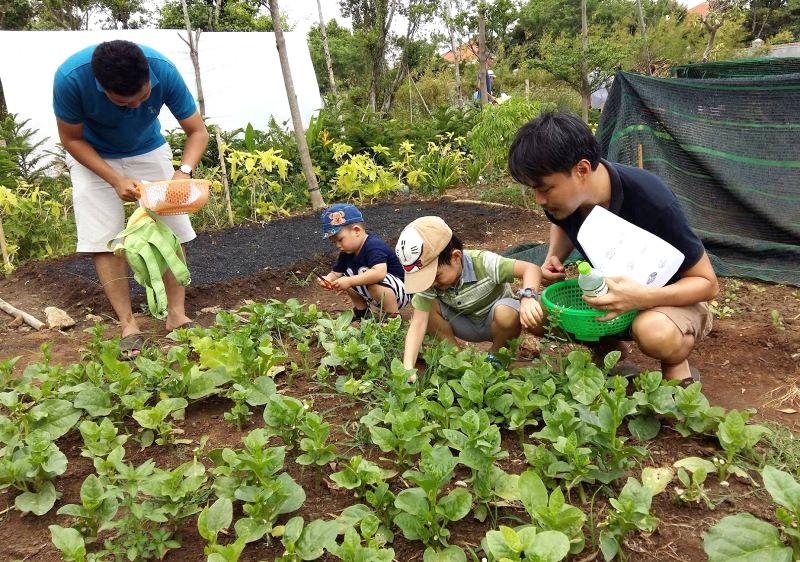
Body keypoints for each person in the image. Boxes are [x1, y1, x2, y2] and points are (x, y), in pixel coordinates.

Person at [507, 112, 719, 385]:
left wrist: (642, 297)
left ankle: (677, 371)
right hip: (615, 295)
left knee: (654, 331)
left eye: (544, 189)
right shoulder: (566, 201)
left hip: (672, 297)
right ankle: (608, 350)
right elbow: (562, 223)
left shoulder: (651, 199)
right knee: (538, 316)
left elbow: (707, 284)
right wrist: (554, 256)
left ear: (582, 170)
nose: (539, 200)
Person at [53, 40, 210, 359]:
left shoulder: (162, 69)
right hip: (93, 156)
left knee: (174, 228)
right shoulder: (70, 79)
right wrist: (114, 179)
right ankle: (129, 326)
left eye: (144, 98)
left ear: (148, 78)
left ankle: (177, 315)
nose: (137, 107)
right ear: (102, 88)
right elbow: (71, 139)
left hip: (148, 150)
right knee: (105, 238)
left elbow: (198, 132)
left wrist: (183, 172)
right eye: (125, 103)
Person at [395, 216, 544, 380]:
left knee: (507, 312)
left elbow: (531, 269)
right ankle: (459, 361)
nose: (432, 284)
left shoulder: (484, 262)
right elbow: (418, 324)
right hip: (464, 323)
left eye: (436, 276)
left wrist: (528, 297)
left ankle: (496, 356)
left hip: (495, 322)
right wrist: (407, 368)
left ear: (456, 257)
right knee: (425, 308)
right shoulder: (431, 285)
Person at [319, 204, 410, 321]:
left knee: (360, 279)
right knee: (345, 277)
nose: (337, 245)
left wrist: (349, 281)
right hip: (379, 292)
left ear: (356, 231)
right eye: (334, 242)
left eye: (340, 239)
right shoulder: (346, 253)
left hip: (400, 291)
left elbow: (379, 274)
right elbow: (336, 273)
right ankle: (362, 311)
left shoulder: (373, 245)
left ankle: (393, 317)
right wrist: (328, 279)